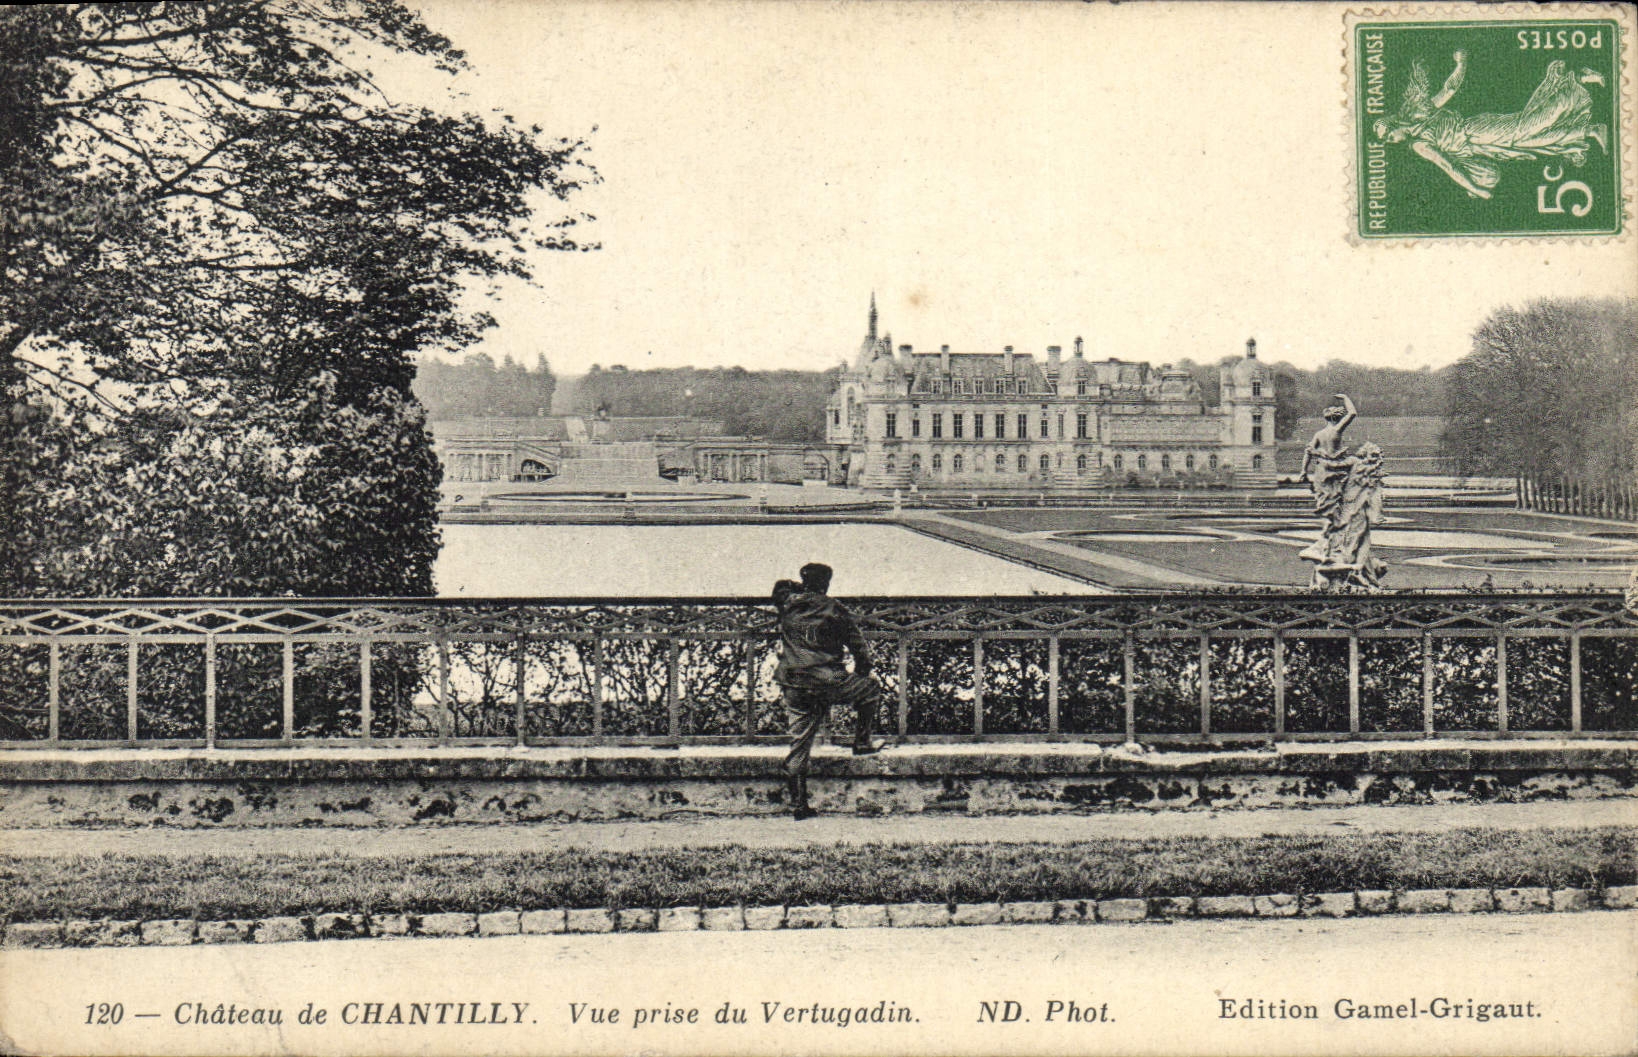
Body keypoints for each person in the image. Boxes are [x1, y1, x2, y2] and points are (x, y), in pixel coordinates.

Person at [1374, 53, 1608, 199]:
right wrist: (1476, 187)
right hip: (1480, 148)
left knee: (1526, 127)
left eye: (1388, 134)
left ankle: (1576, 79)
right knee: (1529, 143)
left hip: (1475, 130)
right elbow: (1452, 165)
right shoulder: (1418, 141)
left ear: (1395, 124)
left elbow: (1449, 90)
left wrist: (1461, 64)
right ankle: (1590, 130)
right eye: (1386, 140)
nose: (1389, 141)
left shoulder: (1421, 127)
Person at [772, 563, 885, 820]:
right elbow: (861, 652)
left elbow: (779, 587)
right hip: (828, 681)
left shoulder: (787, 604)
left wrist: (801, 589)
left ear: (804, 583)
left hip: (794, 683)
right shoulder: (834, 608)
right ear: (827, 584)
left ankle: (799, 806)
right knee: (870, 688)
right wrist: (861, 672)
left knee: (799, 743)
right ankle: (862, 742)